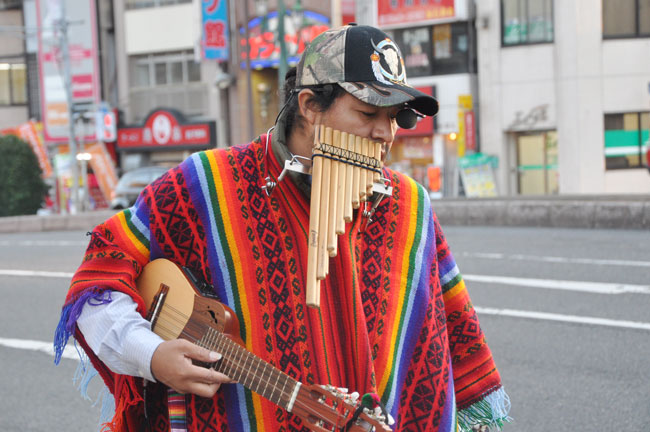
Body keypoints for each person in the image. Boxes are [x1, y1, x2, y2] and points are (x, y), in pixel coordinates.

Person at [54, 24, 510, 432]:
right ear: (310, 106)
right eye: (368, 113)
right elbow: (98, 282)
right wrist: (151, 356)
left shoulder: (410, 205)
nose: (385, 134)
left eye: (394, 118)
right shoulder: (205, 186)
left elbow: (437, 338)